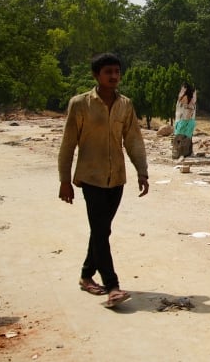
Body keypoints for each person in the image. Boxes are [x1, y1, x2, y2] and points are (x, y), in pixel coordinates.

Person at [58, 53, 149, 308]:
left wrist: (142, 172)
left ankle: (87, 275)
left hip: (116, 178)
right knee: (100, 230)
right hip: (91, 178)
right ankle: (112, 286)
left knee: (102, 230)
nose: (114, 76)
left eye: (117, 72)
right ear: (96, 75)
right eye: (108, 72)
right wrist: (64, 180)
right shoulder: (79, 104)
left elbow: (133, 140)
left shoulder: (125, 105)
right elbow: (67, 145)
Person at [172, 82, 197, 159]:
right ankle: (185, 153)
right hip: (184, 121)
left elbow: (188, 108)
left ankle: (181, 154)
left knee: (181, 139)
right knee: (184, 139)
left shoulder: (185, 97)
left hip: (184, 121)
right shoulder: (186, 97)